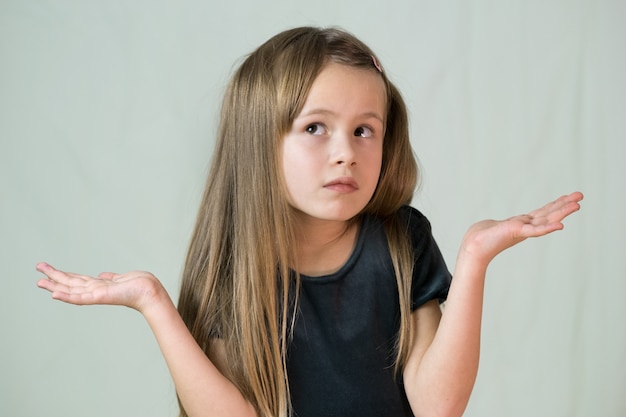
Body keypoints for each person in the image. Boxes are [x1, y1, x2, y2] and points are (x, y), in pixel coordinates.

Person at [36, 26, 583, 417]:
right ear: (260, 143)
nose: (345, 152)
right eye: (316, 128)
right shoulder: (235, 267)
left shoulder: (402, 240)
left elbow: (439, 406)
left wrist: (474, 258)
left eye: (365, 130)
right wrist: (154, 303)